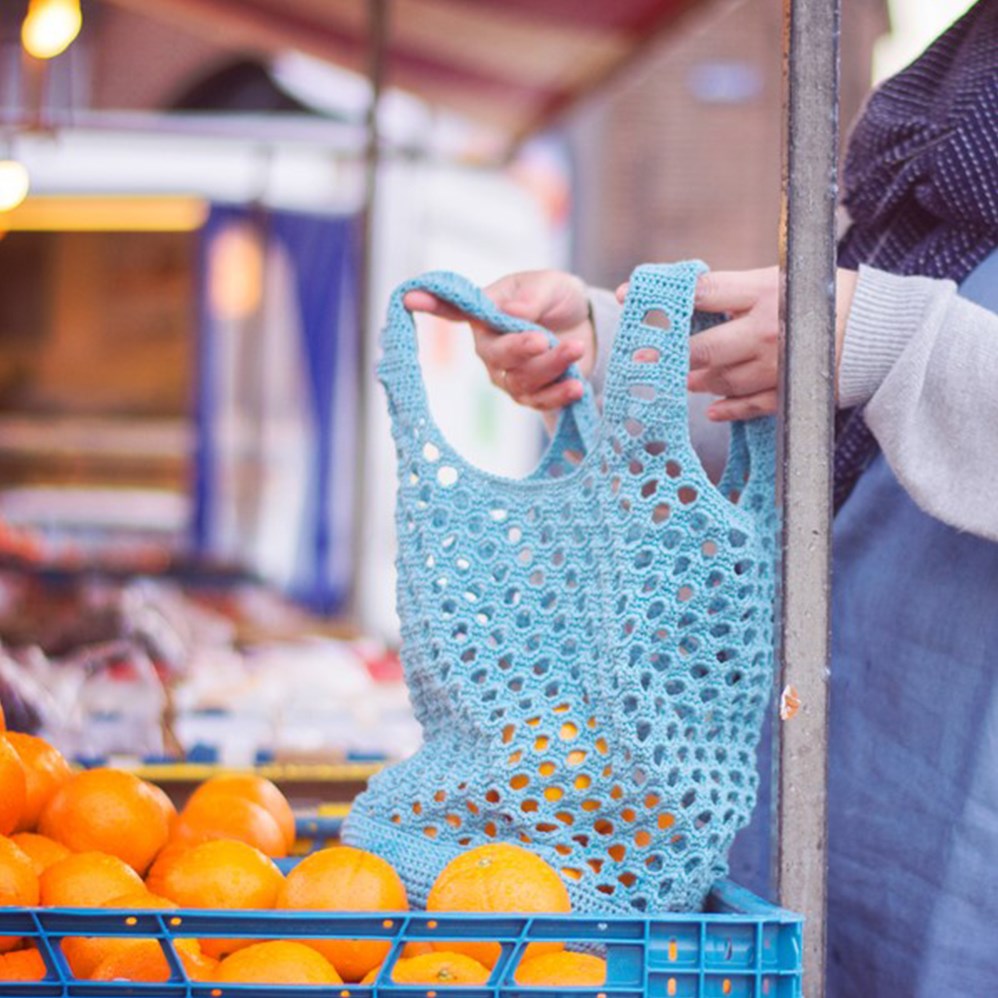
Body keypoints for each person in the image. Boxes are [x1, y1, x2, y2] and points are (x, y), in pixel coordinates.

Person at [403, 2, 998, 993]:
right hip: (844, 760)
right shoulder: (948, 110)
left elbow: (884, 332)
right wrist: (618, 337)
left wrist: (887, 339)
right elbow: (840, 345)